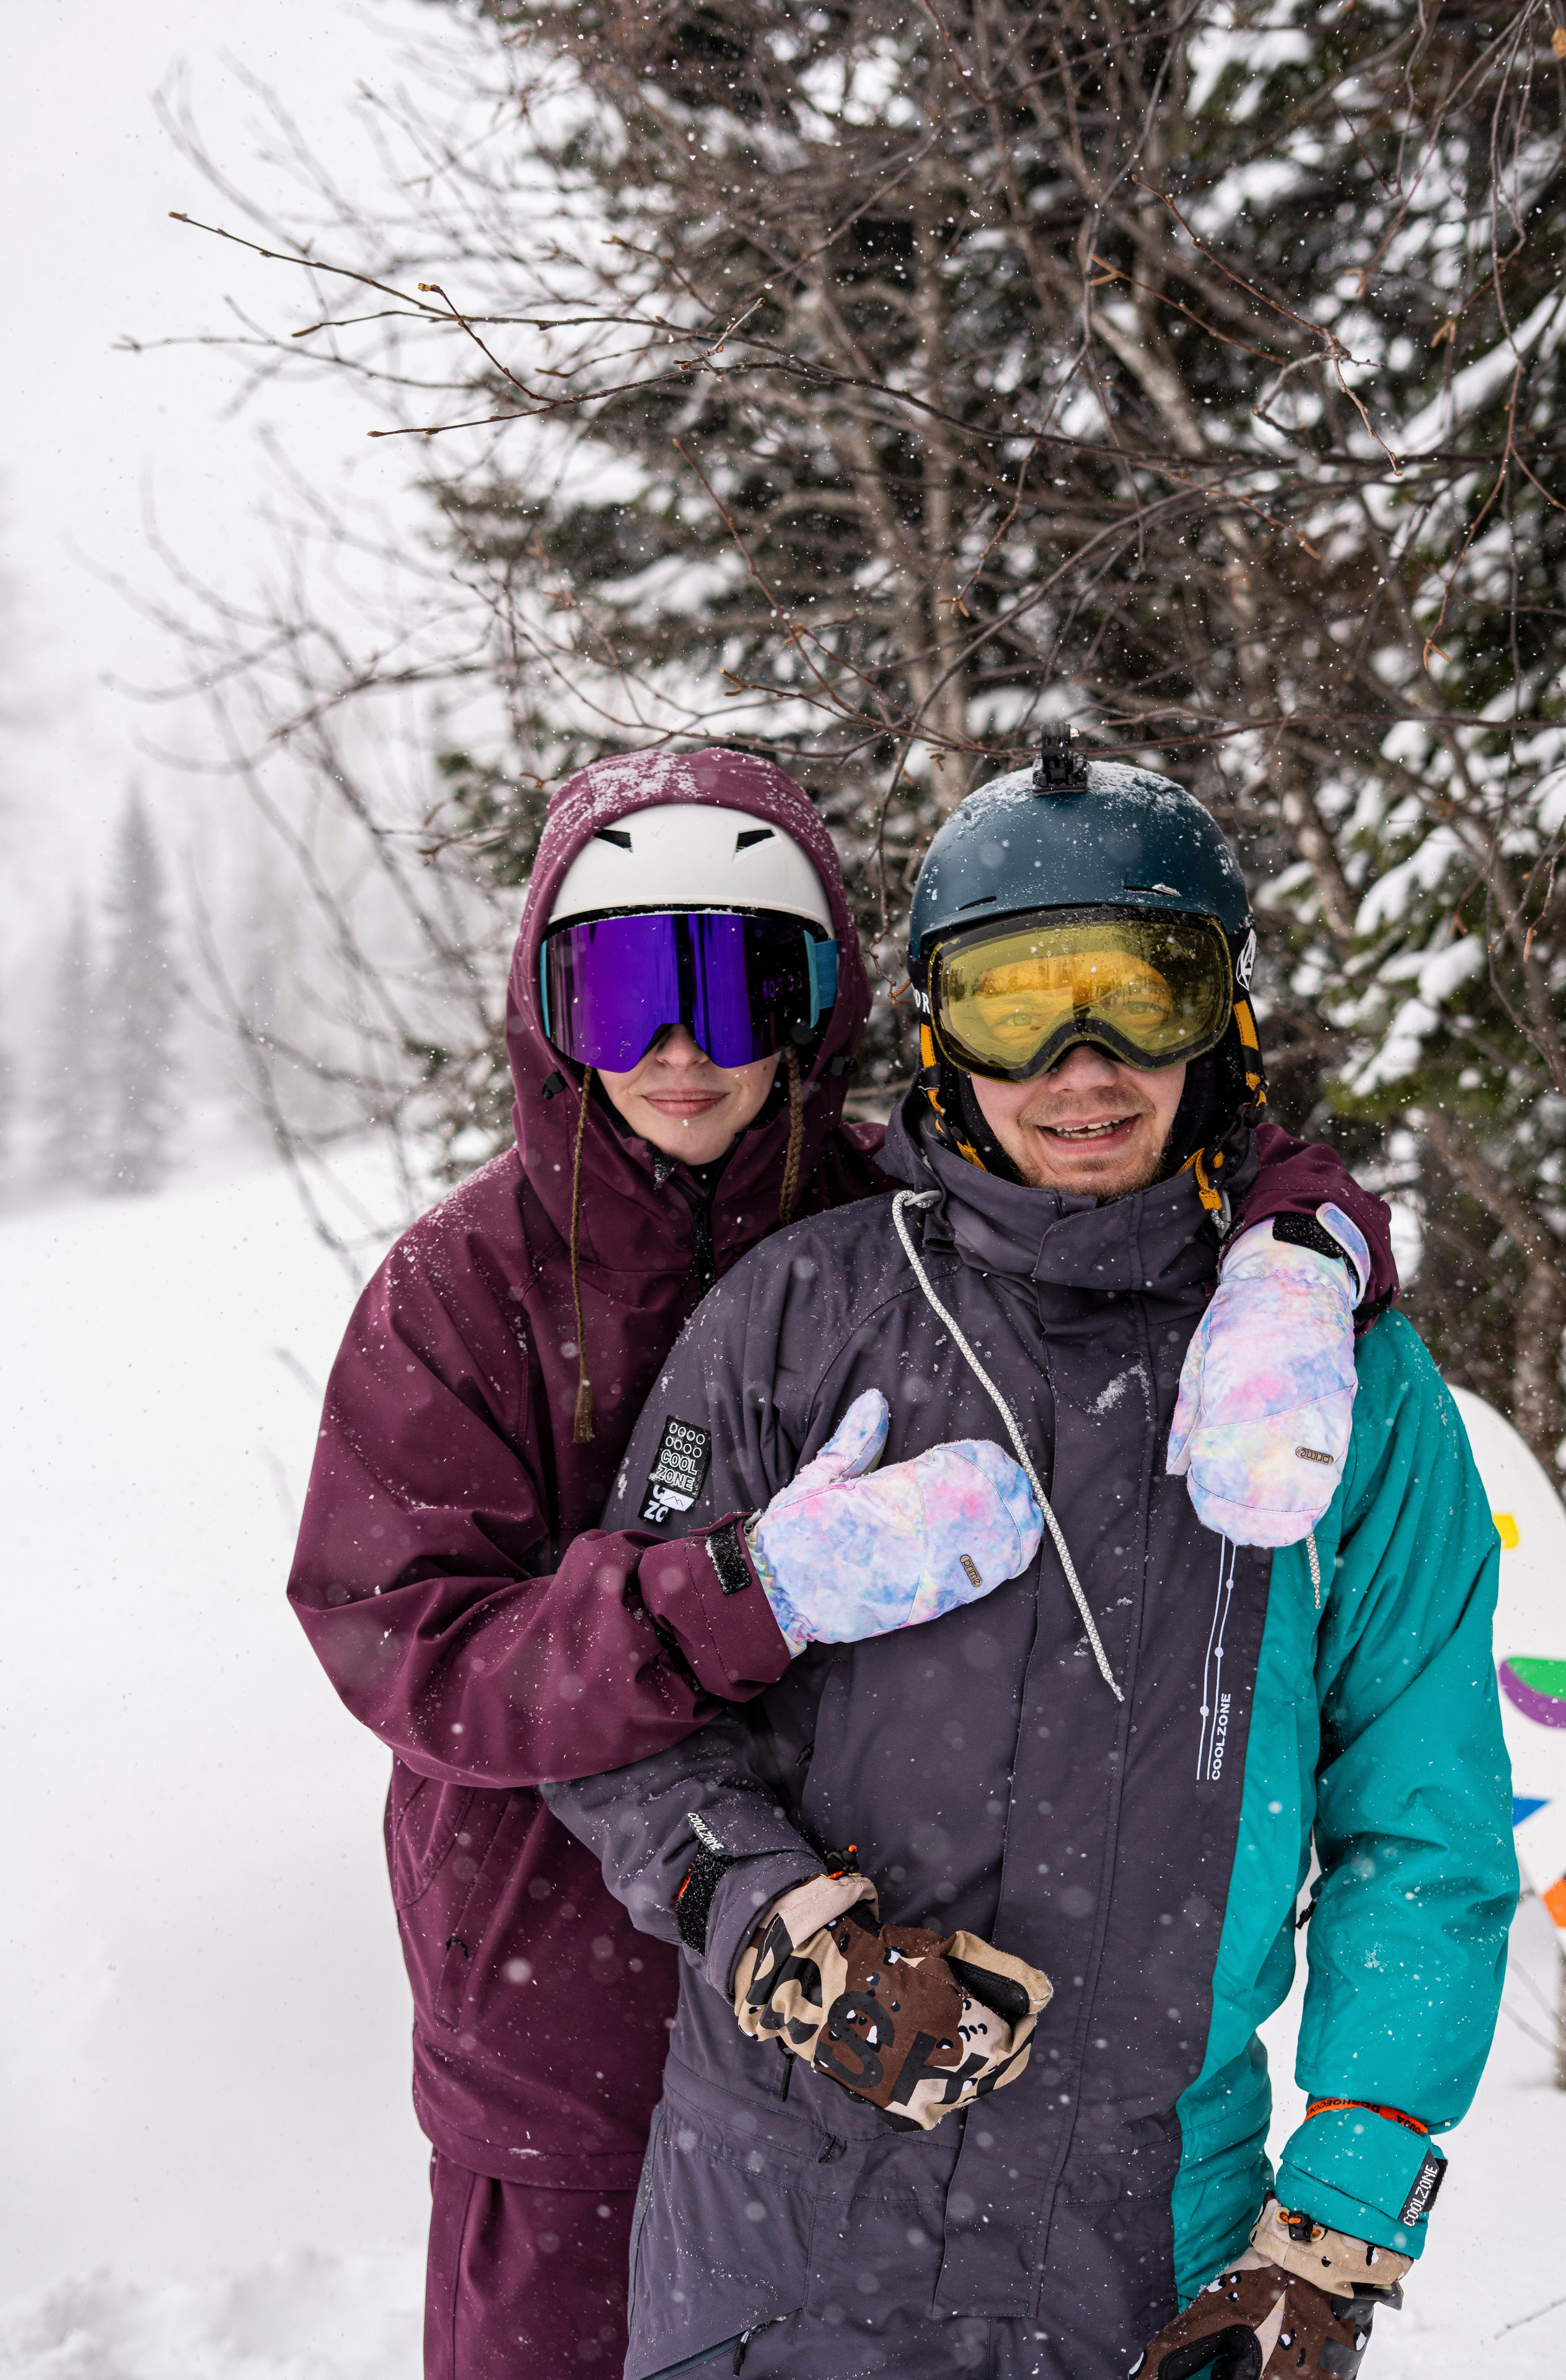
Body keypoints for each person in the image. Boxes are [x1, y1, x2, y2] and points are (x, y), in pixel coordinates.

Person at [288, 743, 1402, 2380]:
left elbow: (1173, 1157)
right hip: (568, 2023)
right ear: (548, 1012)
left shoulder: (888, 1202)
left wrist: (1306, 1248)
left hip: (864, 2066)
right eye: (623, 996)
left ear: (822, 1007)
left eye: (737, 991)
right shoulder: (464, 1287)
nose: (680, 1051)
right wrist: (750, 1591)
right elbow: (413, 1648)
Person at [545, 754, 1516, 2380]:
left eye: (1140, 994)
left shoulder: (1343, 1386)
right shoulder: (800, 1315)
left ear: (1221, 1015)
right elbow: (624, 1711)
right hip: (778, 2235)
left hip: (1146, 2253)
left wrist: (1337, 2229)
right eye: (1016, 1006)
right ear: (941, 1027)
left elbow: (1422, 1830)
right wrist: (782, 1928)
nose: (1083, 1070)